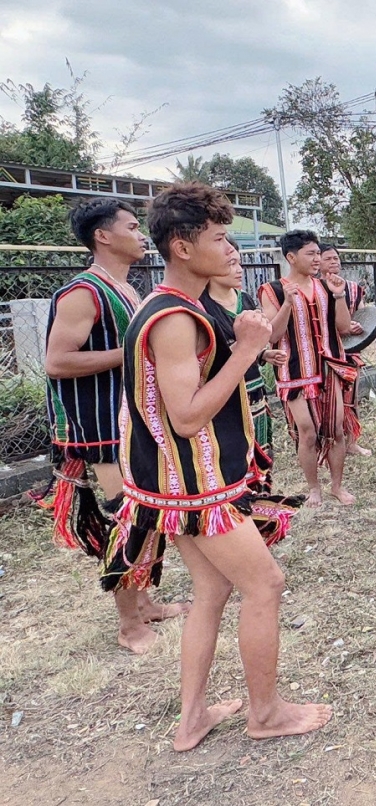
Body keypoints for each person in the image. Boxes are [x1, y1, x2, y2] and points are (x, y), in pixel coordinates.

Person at [100, 181, 331, 751]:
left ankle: (192, 719)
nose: (231, 249)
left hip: (172, 483)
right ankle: (266, 714)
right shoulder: (175, 317)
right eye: (220, 238)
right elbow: (185, 416)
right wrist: (250, 352)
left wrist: (246, 348)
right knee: (265, 585)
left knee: (211, 593)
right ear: (182, 247)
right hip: (197, 486)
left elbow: (203, 378)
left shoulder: (177, 304)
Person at [39, 197, 186, 653]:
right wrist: (136, 355)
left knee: (149, 514)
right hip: (100, 428)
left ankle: (145, 604)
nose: (141, 234)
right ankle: (129, 624)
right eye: (130, 226)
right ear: (103, 236)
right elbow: (57, 361)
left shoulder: (126, 288)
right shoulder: (84, 292)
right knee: (128, 519)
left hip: (129, 422)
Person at [259, 230, 356, 506]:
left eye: (318, 253)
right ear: (291, 257)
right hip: (294, 370)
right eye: (310, 254)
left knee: (336, 429)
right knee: (308, 431)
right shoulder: (273, 290)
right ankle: (314, 488)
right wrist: (288, 303)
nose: (317, 259)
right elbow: (272, 334)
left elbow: (344, 328)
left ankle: (337, 486)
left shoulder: (327, 285)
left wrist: (339, 297)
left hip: (329, 367)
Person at [201, 242, 287, 488]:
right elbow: (210, 357)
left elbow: (252, 346)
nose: (239, 270)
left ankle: (261, 499)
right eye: (231, 264)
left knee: (260, 449)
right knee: (232, 457)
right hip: (225, 395)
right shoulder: (202, 306)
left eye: (239, 263)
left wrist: (263, 355)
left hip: (254, 391)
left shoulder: (245, 299)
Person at [318, 243, 372, 456]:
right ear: (318, 262)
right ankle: (326, 441)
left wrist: (356, 326)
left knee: (351, 398)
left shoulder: (353, 288)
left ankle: (351, 442)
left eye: (336, 258)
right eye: (329, 258)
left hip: (349, 351)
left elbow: (362, 316)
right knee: (324, 399)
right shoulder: (313, 287)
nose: (334, 262)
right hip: (322, 351)